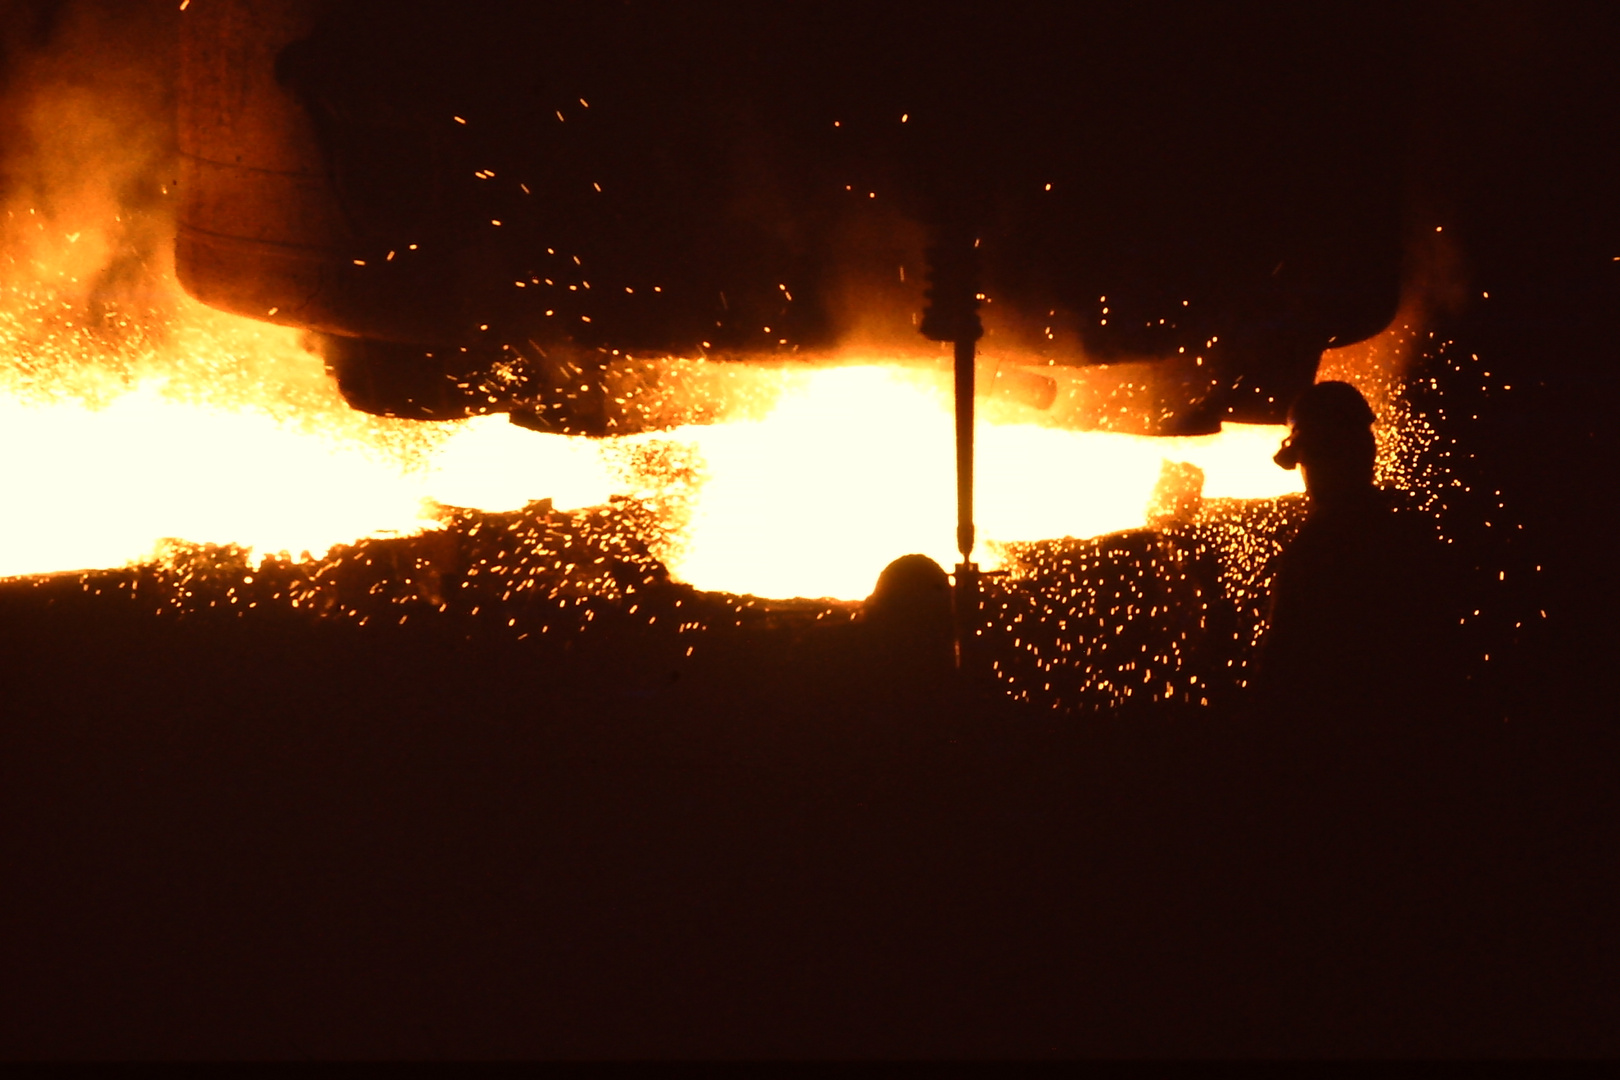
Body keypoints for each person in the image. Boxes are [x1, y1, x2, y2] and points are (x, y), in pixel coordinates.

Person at [1255, 381, 1461, 725]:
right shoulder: (1407, 529)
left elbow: (1285, 660)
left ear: (1313, 455)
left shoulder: (1318, 546)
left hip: (1337, 733)